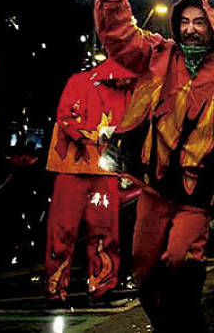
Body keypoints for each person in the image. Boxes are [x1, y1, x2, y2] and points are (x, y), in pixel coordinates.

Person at [94, 0, 214, 332]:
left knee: (181, 260)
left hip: (198, 192)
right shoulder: (159, 55)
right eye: (184, 22)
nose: (190, 30)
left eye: (199, 22)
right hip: (154, 188)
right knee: (144, 267)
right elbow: (122, 39)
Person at [44, 58, 135, 304]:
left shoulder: (130, 91)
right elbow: (65, 116)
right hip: (71, 168)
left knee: (105, 231)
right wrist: (95, 135)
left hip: (104, 171)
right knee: (63, 229)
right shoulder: (80, 82)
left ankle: (103, 286)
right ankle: (56, 287)